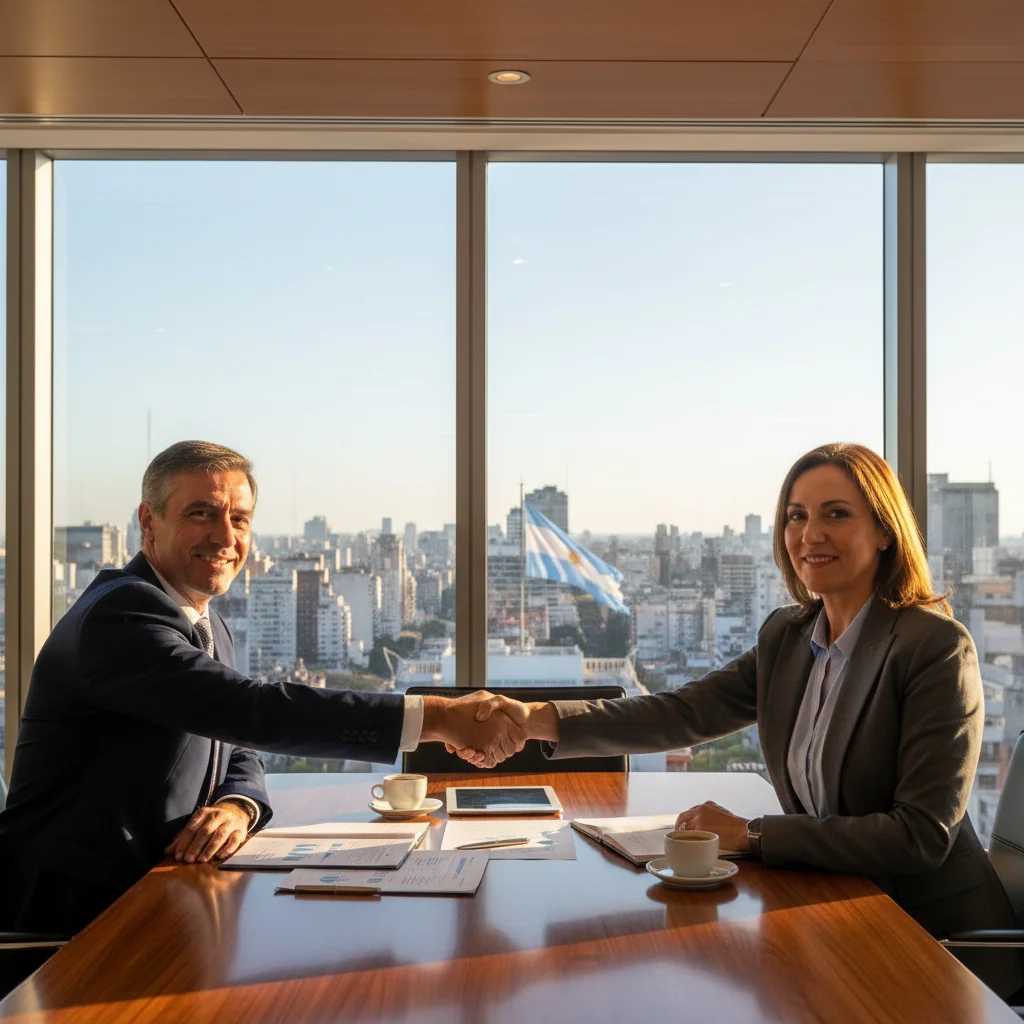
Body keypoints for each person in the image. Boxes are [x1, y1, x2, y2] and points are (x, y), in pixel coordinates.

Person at [471, 443, 1021, 996]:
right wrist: (534, 719)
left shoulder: (934, 648)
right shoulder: (787, 636)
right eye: (796, 516)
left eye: (837, 513)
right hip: (835, 915)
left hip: (934, 944)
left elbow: (920, 838)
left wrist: (752, 834)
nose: (811, 534)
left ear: (883, 531)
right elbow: (683, 712)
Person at [0, 441, 523, 935]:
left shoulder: (206, 624)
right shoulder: (119, 617)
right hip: (71, 921)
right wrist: (436, 716)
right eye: (201, 513)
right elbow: (249, 709)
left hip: (163, 896)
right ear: (148, 521)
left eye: (240, 519)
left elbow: (236, 743)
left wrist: (238, 805)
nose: (226, 537)